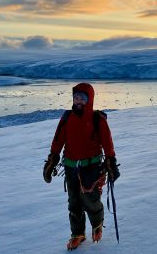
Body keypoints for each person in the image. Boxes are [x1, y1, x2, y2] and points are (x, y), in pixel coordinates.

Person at [43, 83, 120, 250]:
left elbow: (108, 143)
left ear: (89, 100)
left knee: (90, 201)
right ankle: (77, 234)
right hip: (70, 167)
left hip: (92, 167)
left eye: (82, 98)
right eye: (76, 97)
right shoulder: (67, 118)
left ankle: (97, 224)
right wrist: (52, 159)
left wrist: (111, 162)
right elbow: (58, 141)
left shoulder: (97, 119)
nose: (78, 101)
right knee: (74, 203)